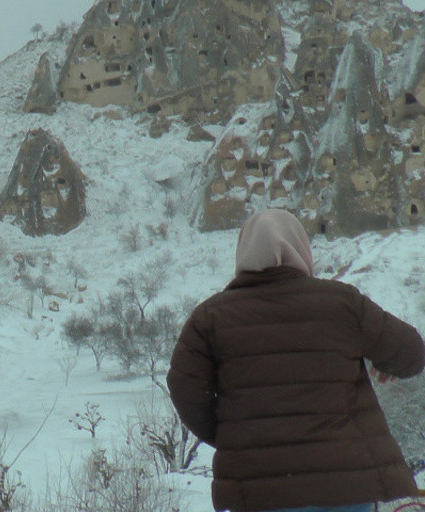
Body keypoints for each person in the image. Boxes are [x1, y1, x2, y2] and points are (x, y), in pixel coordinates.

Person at [168, 208, 425, 512]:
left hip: (259, 490)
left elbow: (185, 388)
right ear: (301, 248)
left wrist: (233, 435)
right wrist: (384, 363)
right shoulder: (342, 303)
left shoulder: (210, 317)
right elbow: (412, 354)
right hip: (345, 485)